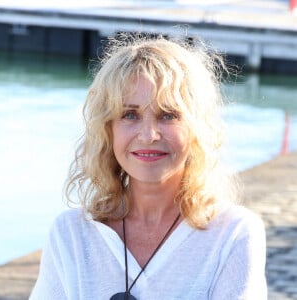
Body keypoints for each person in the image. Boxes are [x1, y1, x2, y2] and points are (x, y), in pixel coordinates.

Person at [30, 34, 267, 300]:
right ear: (108, 128)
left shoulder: (233, 233)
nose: (148, 134)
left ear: (198, 128)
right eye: (130, 115)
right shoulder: (71, 235)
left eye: (168, 115)